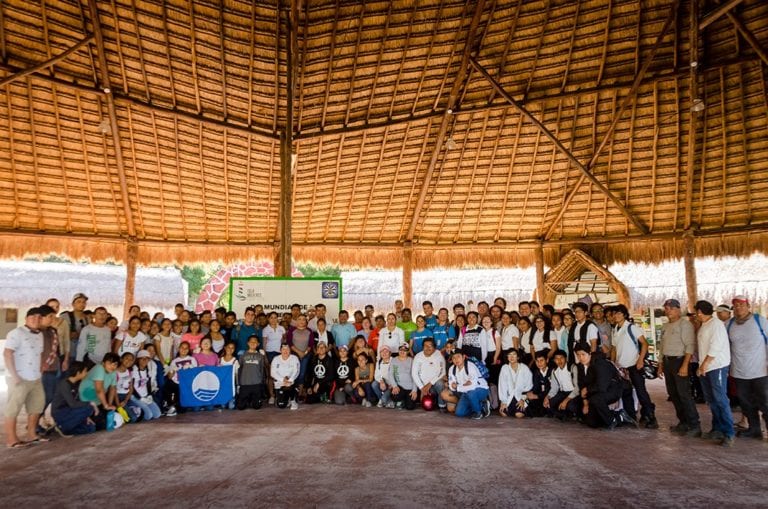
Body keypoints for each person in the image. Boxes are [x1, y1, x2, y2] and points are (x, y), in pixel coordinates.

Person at [724, 295, 767, 440]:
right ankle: (754, 430)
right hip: (739, 372)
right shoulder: (729, 324)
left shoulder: (759, 320)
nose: (738, 308)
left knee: (765, 402)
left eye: (742, 305)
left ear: (748, 306)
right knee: (746, 403)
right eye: (735, 306)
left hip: (760, 371)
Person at [4, 307, 47, 448]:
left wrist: (40, 369)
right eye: (32, 317)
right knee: (13, 408)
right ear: (26, 319)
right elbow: (7, 353)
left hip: (35, 377)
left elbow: (39, 354)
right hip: (19, 378)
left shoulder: (40, 334)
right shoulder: (16, 333)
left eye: (39, 317)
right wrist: (14, 375)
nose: (36, 320)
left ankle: (32, 434)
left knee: (36, 407)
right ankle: (12, 439)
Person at [695, 300, 736, 447]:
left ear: (700, 312)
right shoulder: (705, 325)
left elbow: (716, 347)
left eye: (696, 312)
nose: (696, 315)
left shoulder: (716, 325)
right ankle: (717, 428)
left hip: (716, 366)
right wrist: (701, 366)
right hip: (706, 368)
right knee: (711, 399)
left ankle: (729, 433)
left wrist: (704, 364)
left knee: (720, 399)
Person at [611, 304, 657, 429]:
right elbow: (614, 348)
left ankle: (650, 417)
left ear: (625, 315)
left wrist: (640, 360)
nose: (616, 316)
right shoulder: (615, 329)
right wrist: (613, 363)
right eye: (614, 313)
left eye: (619, 313)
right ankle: (630, 415)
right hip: (621, 367)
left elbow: (644, 344)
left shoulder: (631, 328)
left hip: (634, 365)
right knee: (626, 392)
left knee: (641, 391)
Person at [659, 298, 700, 436]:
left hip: (680, 360)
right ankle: (683, 422)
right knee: (673, 394)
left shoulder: (685, 324)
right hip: (667, 361)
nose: (668, 311)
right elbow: (662, 347)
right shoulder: (665, 326)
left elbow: (690, 346)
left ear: (678, 309)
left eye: (671, 308)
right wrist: (660, 364)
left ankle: (695, 425)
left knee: (684, 394)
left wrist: (685, 365)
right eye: (666, 308)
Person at [574, 343, 634, 430]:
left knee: (596, 399)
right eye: (578, 355)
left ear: (589, 353)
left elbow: (602, 386)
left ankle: (612, 421)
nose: (581, 358)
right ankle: (619, 417)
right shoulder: (582, 366)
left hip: (614, 389)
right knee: (591, 422)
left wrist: (587, 390)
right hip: (599, 391)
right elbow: (583, 385)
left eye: (583, 354)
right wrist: (585, 402)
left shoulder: (600, 363)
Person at [51, 361, 98, 436]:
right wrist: (90, 403)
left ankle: (65, 430)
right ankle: (62, 426)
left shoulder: (77, 383)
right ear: (78, 373)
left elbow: (78, 401)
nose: (86, 373)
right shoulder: (64, 384)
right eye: (85, 371)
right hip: (60, 412)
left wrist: (85, 416)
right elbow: (73, 404)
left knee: (91, 428)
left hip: (71, 412)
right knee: (89, 407)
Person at [79, 352, 120, 429]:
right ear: (103, 363)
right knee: (102, 425)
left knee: (115, 420)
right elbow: (99, 390)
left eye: (115, 364)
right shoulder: (99, 368)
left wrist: (109, 405)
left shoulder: (113, 372)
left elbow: (112, 388)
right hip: (86, 402)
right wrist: (106, 405)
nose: (112, 366)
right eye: (110, 363)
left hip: (98, 402)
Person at [447, 351, 490, 419]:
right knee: (459, 413)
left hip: (481, 389)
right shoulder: (452, 369)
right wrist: (464, 385)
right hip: (465, 392)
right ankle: (481, 405)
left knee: (471, 393)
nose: (456, 359)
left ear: (463, 357)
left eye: (458, 356)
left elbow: (472, 386)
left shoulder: (470, 366)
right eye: (453, 358)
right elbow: (451, 386)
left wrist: (458, 387)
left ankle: (478, 413)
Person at [412, 338, 447, 410]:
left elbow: (442, 372)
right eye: (425, 346)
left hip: (435, 384)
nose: (427, 348)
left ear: (434, 347)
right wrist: (422, 388)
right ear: (422, 347)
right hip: (424, 386)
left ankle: (442, 405)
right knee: (424, 404)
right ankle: (435, 401)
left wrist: (430, 383)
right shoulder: (418, 356)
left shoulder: (439, 355)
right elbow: (414, 373)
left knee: (440, 383)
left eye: (430, 346)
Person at [544, 350, 580, 420]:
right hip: (563, 393)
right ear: (554, 360)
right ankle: (565, 415)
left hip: (574, 394)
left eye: (561, 358)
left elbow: (577, 388)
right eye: (556, 359)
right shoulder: (554, 371)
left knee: (571, 406)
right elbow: (554, 388)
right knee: (549, 404)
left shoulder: (572, 368)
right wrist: (547, 397)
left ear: (566, 358)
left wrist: (565, 401)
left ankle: (570, 414)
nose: (559, 361)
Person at [164, 342, 198, 416]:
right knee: (167, 384)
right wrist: (172, 370)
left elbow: (195, 374)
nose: (184, 350)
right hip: (177, 383)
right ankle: (170, 405)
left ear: (188, 350)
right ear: (179, 349)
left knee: (182, 410)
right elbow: (170, 377)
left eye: (186, 348)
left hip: (187, 384)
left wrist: (190, 367)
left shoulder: (192, 359)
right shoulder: (174, 361)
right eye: (182, 347)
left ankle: (178, 406)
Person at [498, 349, 533, 419]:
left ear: (518, 357)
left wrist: (523, 399)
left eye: (514, 354)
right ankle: (512, 409)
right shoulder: (504, 368)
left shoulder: (524, 368)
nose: (511, 357)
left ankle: (522, 410)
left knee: (518, 415)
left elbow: (529, 386)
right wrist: (503, 401)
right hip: (509, 397)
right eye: (509, 355)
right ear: (507, 357)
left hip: (521, 397)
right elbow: (502, 386)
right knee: (503, 413)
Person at [287, 315, 315, 395]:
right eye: (299, 319)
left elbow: (310, 344)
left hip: (305, 355)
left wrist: (304, 353)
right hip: (294, 355)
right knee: (294, 373)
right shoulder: (292, 330)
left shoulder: (309, 331)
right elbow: (290, 343)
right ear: (296, 321)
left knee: (302, 374)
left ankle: (300, 393)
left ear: (306, 322)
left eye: (303, 319)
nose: (301, 321)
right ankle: (293, 392)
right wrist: (299, 352)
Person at [237, 336, 267, 410]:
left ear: (258, 344)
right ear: (248, 343)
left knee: (257, 406)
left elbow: (262, 369)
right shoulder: (242, 355)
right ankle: (248, 399)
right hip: (245, 383)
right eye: (251, 341)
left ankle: (252, 399)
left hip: (256, 383)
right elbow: (239, 369)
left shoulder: (260, 356)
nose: (253, 343)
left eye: (255, 342)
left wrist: (262, 382)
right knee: (241, 407)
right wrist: (239, 382)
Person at [131, 350, 162, 421]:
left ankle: (142, 407)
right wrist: (140, 398)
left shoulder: (148, 370)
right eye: (142, 358)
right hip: (135, 396)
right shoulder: (134, 369)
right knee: (149, 415)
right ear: (138, 359)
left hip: (145, 395)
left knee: (157, 414)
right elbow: (132, 386)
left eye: (147, 358)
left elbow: (148, 384)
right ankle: (136, 408)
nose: (144, 360)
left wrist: (149, 395)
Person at [387, 343, 418, 410]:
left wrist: (414, 390)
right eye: (401, 349)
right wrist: (394, 386)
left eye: (405, 350)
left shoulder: (412, 360)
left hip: (409, 388)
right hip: (399, 387)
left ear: (408, 351)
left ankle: (404, 401)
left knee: (410, 407)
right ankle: (400, 400)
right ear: (398, 350)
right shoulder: (394, 360)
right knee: (395, 396)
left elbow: (415, 376)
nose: (402, 351)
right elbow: (390, 374)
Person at [271, 343, 300, 410]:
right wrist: (282, 380)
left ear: (290, 350)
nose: (285, 351)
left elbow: (296, 371)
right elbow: (272, 373)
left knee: (290, 386)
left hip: (291, 382)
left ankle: (293, 401)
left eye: (287, 349)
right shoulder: (276, 359)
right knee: (281, 405)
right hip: (280, 383)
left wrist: (290, 380)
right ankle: (286, 399)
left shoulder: (294, 358)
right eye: (283, 349)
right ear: (280, 350)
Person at [62, 293, 90, 363]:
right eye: (79, 302)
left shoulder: (88, 318)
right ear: (73, 304)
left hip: (83, 354)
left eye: (84, 302)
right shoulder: (65, 317)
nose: (82, 304)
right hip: (69, 354)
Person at [527, 352, 552, 417]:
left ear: (547, 360)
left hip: (550, 396)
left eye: (541, 360)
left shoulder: (552, 371)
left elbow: (551, 389)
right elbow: (535, 387)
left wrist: (537, 396)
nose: (539, 363)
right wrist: (531, 393)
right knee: (529, 404)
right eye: (537, 361)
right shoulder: (536, 372)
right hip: (540, 396)